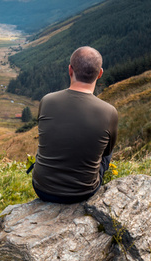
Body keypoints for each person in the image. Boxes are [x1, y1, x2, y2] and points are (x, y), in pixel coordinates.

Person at [31, 46, 118, 204]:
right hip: (83, 192)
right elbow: (106, 152)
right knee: (107, 152)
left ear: (70, 70)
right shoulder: (109, 112)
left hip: (42, 188)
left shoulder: (47, 100)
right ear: (100, 73)